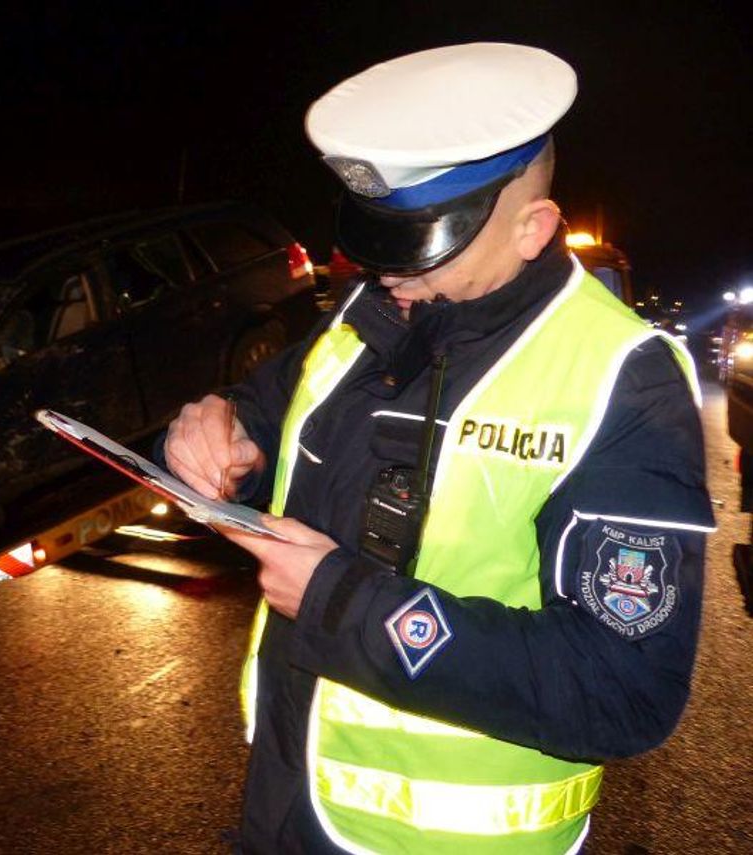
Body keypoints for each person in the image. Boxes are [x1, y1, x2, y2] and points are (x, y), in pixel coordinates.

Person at [163, 43, 714, 854]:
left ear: (534, 229)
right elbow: (274, 408)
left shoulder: (623, 379)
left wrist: (343, 603)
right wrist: (225, 429)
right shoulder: (368, 309)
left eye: (422, 242)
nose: (387, 269)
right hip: (290, 802)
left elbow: (624, 688)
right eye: (379, 235)